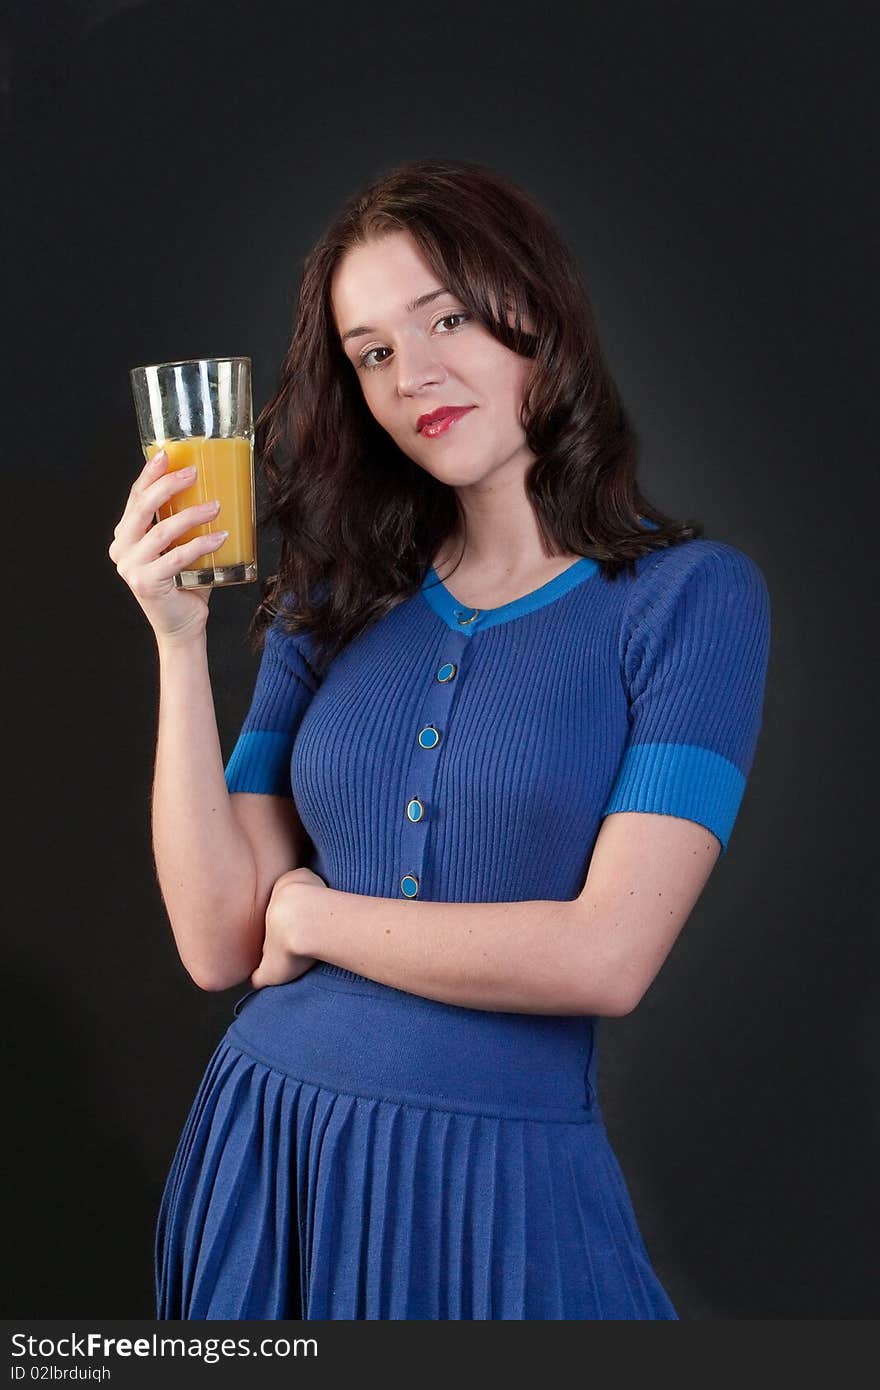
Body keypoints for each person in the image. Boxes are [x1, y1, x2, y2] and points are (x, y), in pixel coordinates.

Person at [108, 158, 771, 1320]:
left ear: (537, 310)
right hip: (272, 1154)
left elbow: (606, 955)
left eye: (446, 318)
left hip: (502, 1189)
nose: (412, 376)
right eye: (370, 353)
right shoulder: (334, 600)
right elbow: (219, 944)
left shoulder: (690, 602)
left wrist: (311, 916)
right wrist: (174, 640)